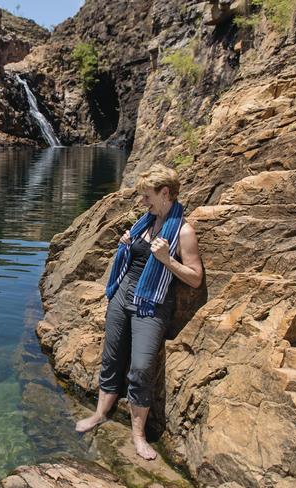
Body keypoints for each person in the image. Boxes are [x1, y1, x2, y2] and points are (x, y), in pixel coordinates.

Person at [75, 164, 203, 461]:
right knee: (112, 356)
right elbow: (133, 258)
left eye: (147, 196)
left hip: (152, 304)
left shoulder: (183, 231)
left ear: (165, 193)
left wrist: (166, 259)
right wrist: (127, 246)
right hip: (122, 296)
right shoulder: (144, 223)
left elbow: (195, 278)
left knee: (142, 367)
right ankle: (100, 414)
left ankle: (138, 435)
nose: (142, 201)